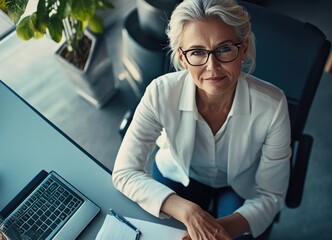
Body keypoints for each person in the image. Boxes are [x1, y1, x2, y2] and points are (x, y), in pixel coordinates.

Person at [112, 0, 292, 239]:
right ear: (182, 57)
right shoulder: (160, 92)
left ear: (244, 47)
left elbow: (271, 195)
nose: (212, 67)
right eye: (197, 52)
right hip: (178, 174)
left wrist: (218, 231)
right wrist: (188, 211)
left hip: (237, 183)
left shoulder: (273, 105)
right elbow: (124, 173)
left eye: (225, 48)